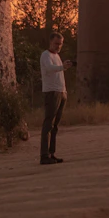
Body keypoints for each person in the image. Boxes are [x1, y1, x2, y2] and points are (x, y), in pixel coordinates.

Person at [40, 31, 68, 165]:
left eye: (60, 44)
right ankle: (44, 155)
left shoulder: (57, 56)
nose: (58, 46)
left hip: (61, 91)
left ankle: (51, 153)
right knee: (48, 124)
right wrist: (63, 67)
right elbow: (50, 69)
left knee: (55, 125)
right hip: (51, 92)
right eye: (56, 43)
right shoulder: (45, 55)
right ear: (50, 42)